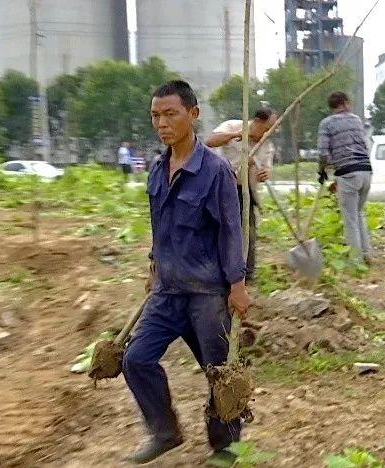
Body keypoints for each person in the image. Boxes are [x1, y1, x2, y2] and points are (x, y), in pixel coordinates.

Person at [121, 80, 252, 465]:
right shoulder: (158, 169)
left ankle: (226, 445)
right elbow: (158, 224)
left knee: (219, 374)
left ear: (193, 115)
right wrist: (153, 264)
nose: (161, 123)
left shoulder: (215, 171)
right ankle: (164, 431)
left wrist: (237, 285)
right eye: (155, 116)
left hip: (208, 294)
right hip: (167, 290)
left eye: (170, 114)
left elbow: (231, 231)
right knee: (136, 360)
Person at [205, 108, 278, 282]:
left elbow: (267, 169)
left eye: (273, 129)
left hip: (245, 191)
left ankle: (247, 272)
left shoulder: (267, 145)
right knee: (220, 229)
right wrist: (236, 135)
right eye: (267, 127)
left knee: (248, 231)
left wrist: (265, 173)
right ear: (257, 122)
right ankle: (217, 270)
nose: (269, 133)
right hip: (221, 187)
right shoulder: (232, 126)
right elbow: (210, 141)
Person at [317, 91, 372, 263]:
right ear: (346, 103)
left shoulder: (326, 124)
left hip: (347, 172)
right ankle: (366, 254)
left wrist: (322, 171)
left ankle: (355, 262)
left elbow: (323, 153)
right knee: (359, 213)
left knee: (350, 218)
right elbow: (364, 144)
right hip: (366, 170)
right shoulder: (356, 120)